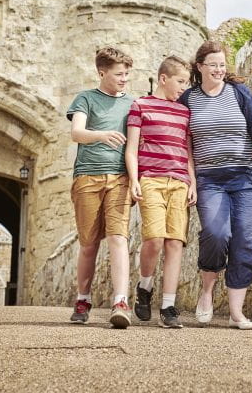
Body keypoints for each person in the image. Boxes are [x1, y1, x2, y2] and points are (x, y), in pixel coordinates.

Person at [178, 41, 252, 330]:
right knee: (215, 233)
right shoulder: (188, 100)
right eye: (213, 65)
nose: (219, 70)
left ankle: (237, 314)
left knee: (247, 239)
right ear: (200, 67)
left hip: (249, 176)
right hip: (210, 179)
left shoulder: (239, 94)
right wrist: (190, 180)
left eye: (223, 65)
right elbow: (185, 145)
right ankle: (207, 291)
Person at [66, 47, 135, 328]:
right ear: (102, 72)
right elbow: (76, 133)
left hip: (119, 178)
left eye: (127, 74)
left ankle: (121, 301)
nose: (124, 79)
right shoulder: (85, 98)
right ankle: (83, 299)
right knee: (89, 244)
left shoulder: (133, 103)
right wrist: (102, 135)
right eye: (119, 74)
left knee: (119, 238)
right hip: (88, 178)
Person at [126, 56, 197, 329]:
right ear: (163, 78)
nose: (184, 87)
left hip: (179, 182)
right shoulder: (140, 106)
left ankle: (168, 305)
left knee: (175, 243)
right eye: (181, 81)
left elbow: (187, 151)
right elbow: (131, 149)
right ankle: (145, 287)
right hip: (151, 180)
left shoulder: (184, 112)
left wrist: (193, 182)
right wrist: (135, 180)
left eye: (187, 82)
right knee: (154, 239)